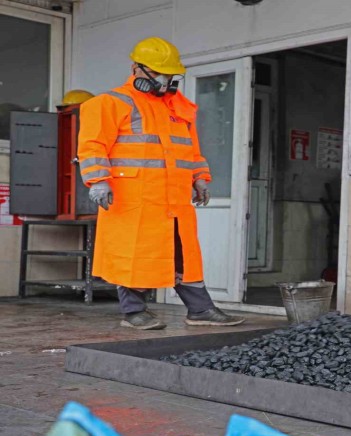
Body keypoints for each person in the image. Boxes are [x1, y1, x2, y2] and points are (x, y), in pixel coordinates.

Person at [77, 37, 245, 330]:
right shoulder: (111, 102)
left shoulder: (179, 109)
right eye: (158, 72)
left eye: (169, 74)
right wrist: (98, 181)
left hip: (174, 200)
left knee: (184, 255)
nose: (164, 79)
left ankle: (200, 310)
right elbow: (92, 146)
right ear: (137, 68)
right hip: (133, 199)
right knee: (134, 255)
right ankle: (134, 312)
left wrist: (200, 178)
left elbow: (192, 151)